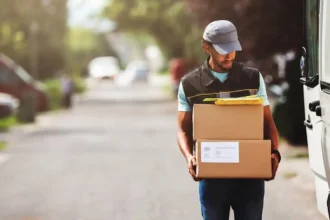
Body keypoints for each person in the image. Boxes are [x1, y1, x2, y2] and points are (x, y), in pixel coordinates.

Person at [177, 20, 281, 220]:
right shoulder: (190, 85)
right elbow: (182, 130)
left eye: (233, 48)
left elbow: (268, 121)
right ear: (206, 46)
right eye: (223, 49)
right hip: (212, 178)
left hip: (250, 177)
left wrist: (275, 152)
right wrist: (190, 157)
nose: (230, 55)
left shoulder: (252, 78)